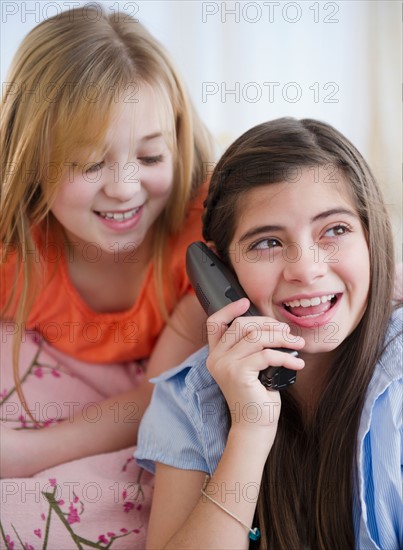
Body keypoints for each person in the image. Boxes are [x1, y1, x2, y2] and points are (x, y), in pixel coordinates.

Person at [136, 118, 403, 549]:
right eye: (267, 242)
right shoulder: (188, 401)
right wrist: (250, 427)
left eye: (335, 230)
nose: (306, 268)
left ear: (372, 239)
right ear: (220, 273)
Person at [0, 5, 212, 548]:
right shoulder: (16, 248)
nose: (123, 187)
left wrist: (25, 455)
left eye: (149, 155)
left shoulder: (204, 230)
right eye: (90, 164)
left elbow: (164, 393)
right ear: (31, 162)